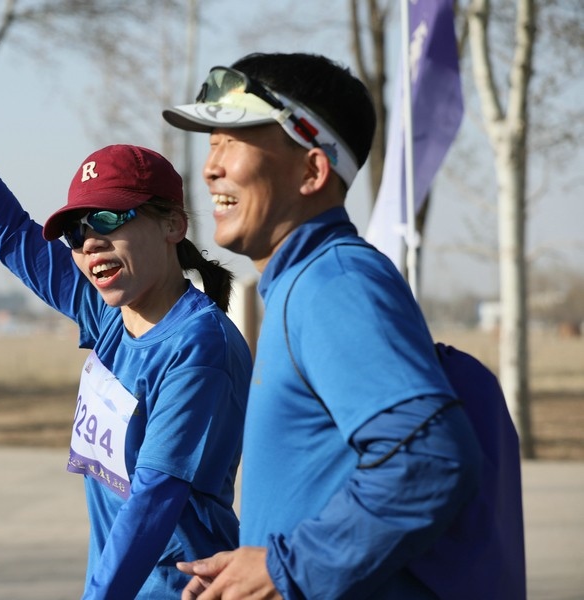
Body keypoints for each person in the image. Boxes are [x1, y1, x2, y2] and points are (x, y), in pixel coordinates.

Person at [0, 36, 253, 599]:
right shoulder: (104, 309)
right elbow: (9, 233)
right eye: (75, 231)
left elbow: (152, 503)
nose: (90, 242)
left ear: (173, 225)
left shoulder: (199, 348)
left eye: (110, 218)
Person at [163, 54, 484, 598]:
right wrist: (253, 566)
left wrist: (286, 569)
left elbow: (429, 461)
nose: (210, 168)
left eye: (233, 142)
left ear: (312, 171)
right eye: (212, 144)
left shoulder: (334, 282)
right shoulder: (304, 283)